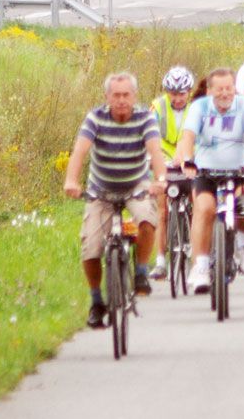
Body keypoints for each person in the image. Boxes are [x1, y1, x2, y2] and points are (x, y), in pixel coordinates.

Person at [63, 72, 166, 328]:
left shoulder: (145, 118)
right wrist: (71, 181)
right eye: (116, 95)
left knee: (147, 219)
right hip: (102, 189)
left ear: (134, 96)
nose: (121, 100)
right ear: (107, 97)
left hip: (135, 184)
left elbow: (155, 151)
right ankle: (97, 301)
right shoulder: (96, 118)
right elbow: (80, 151)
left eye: (126, 95)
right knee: (91, 247)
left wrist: (160, 179)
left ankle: (141, 272)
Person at [175, 68, 244, 291]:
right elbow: (188, 136)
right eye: (219, 89)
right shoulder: (199, 107)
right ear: (210, 90)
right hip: (207, 171)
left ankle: (243, 246)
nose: (225, 93)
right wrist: (187, 160)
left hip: (239, 170)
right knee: (204, 209)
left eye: (229, 88)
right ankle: (201, 265)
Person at [149, 66, 195, 281]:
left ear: (189, 92)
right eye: (173, 94)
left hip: (189, 161)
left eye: (181, 94)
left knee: (199, 203)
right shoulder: (157, 107)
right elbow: (148, 135)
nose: (177, 98)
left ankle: (197, 254)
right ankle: (160, 261)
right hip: (164, 161)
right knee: (162, 209)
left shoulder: (196, 108)